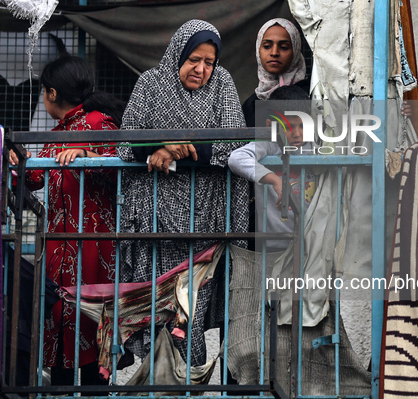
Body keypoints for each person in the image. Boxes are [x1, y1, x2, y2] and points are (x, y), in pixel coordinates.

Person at [117, 19, 248, 367]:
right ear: (178, 53)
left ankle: (187, 380)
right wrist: (158, 146)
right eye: (194, 59)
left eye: (209, 61)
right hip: (154, 218)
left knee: (189, 313)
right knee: (155, 306)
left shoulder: (222, 85)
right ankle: (154, 380)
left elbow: (235, 141)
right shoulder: (150, 83)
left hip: (203, 220)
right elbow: (126, 140)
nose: (201, 69)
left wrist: (178, 149)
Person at [9, 55, 124, 386]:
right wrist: (20, 160)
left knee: (89, 318)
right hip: (59, 245)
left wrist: (86, 155)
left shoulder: (100, 122)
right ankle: (59, 388)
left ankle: (92, 388)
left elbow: (121, 160)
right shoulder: (58, 131)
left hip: (93, 247)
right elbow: (35, 179)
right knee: (57, 316)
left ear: (52, 93)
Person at [229, 85, 316, 251]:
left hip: (312, 244)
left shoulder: (318, 148)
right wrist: (275, 180)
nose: (297, 133)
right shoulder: (270, 145)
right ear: (270, 125)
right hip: (273, 246)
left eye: (302, 126)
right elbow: (236, 158)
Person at [241, 18, 308, 127]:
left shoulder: (310, 94)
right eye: (267, 46)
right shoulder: (252, 104)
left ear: (295, 51)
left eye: (284, 47)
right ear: (258, 50)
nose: (274, 53)